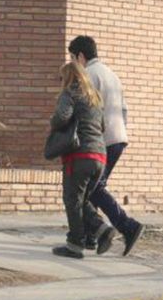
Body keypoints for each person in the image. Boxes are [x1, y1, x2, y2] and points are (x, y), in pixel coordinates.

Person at [68, 35, 144, 256]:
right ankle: (93, 236)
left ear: (80, 56)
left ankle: (127, 227)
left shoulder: (88, 75)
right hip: (118, 136)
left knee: (92, 189)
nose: (73, 62)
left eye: (73, 58)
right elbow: (124, 110)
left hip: (101, 140)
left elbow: (85, 110)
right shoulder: (112, 74)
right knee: (93, 189)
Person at [49, 61, 117, 259]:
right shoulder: (95, 97)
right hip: (100, 156)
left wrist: (52, 121)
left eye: (61, 77)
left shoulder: (70, 93)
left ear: (69, 77)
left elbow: (62, 117)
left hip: (79, 155)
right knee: (82, 199)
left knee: (72, 199)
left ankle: (75, 245)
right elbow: (102, 126)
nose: (60, 82)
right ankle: (102, 230)